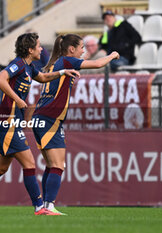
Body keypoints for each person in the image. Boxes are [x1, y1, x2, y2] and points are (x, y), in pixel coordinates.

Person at [0, 32, 80, 215]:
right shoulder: (18, 64)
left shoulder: (29, 67)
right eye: (39, 46)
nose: (41, 49)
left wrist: (63, 72)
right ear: (30, 49)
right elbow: (0, 79)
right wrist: (17, 99)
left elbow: (42, 78)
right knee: (29, 163)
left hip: (11, 122)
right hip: (7, 122)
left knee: (0, 168)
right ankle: (39, 207)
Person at [32, 34, 119, 214]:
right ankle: (48, 206)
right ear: (71, 50)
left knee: (51, 164)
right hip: (50, 118)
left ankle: (44, 207)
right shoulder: (67, 62)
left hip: (41, 117)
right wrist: (111, 56)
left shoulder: (55, 63)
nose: (83, 51)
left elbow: (83, 60)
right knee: (58, 165)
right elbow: (96, 64)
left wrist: (83, 57)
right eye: (81, 47)